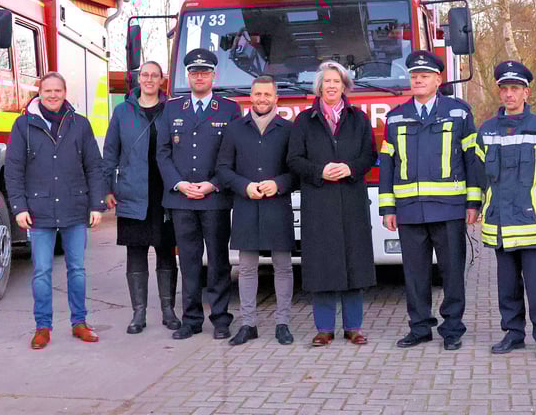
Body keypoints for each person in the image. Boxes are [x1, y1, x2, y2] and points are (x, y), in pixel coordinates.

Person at [378, 50, 482, 351]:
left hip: (449, 209)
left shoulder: (459, 112)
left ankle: (452, 329)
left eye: (424, 76)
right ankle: (420, 327)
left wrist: (473, 202)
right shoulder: (396, 117)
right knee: (414, 274)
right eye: (414, 76)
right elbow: (388, 165)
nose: (418, 80)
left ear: (438, 79)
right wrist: (387, 207)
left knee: (451, 272)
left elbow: (471, 159)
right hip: (410, 211)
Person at [475, 61, 536, 358]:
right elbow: (480, 174)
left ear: (526, 92)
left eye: (515, 89)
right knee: (507, 287)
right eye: (504, 89)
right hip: (500, 225)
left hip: (533, 224)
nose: (509, 94)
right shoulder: (487, 130)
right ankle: (513, 334)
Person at [5, 72, 106, 350]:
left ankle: (80, 323)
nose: (52, 95)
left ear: (64, 92)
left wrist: (97, 204)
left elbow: (94, 167)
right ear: (40, 93)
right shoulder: (23, 125)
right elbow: (13, 171)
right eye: (47, 91)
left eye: (57, 91)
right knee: (41, 271)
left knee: (77, 270)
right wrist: (18, 208)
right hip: (38, 211)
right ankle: (42, 327)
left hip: (75, 207)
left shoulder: (80, 125)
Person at [287, 60, 377, 347]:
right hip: (319, 200)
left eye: (336, 81)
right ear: (319, 86)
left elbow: (369, 156)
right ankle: (324, 328)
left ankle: (354, 327)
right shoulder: (304, 120)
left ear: (344, 86)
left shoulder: (359, 119)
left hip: (351, 199)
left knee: (354, 262)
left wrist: (351, 168)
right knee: (322, 264)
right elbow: (293, 159)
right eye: (327, 81)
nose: (331, 86)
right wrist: (319, 171)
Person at [156, 48, 242, 341]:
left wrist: (213, 184)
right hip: (181, 200)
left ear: (214, 76)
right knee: (189, 262)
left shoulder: (229, 109)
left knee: (218, 262)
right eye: (195, 72)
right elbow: (163, 153)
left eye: (205, 72)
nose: (200, 77)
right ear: (188, 76)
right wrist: (179, 184)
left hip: (214, 199)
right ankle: (191, 319)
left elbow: (232, 156)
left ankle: (220, 319)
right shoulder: (171, 108)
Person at [216, 76, 297, 346]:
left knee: (283, 267)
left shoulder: (289, 130)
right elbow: (223, 169)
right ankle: (248, 324)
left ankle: (282, 324)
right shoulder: (235, 129)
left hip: (278, 206)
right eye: (257, 94)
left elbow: (297, 171)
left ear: (276, 98)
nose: (262, 99)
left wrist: (279, 183)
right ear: (251, 96)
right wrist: (243, 186)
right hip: (246, 206)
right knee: (247, 268)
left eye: (267, 94)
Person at [102, 61, 181, 335]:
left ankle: (169, 311)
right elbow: (110, 153)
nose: (149, 79)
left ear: (162, 80)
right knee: (135, 253)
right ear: (139, 79)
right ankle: (139, 314)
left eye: (154, 76)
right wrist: (107, 189)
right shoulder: (122, 112)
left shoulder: (172, 109)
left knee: (166, 253)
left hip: (166, 194)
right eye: (144, 75)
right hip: (132, 193)